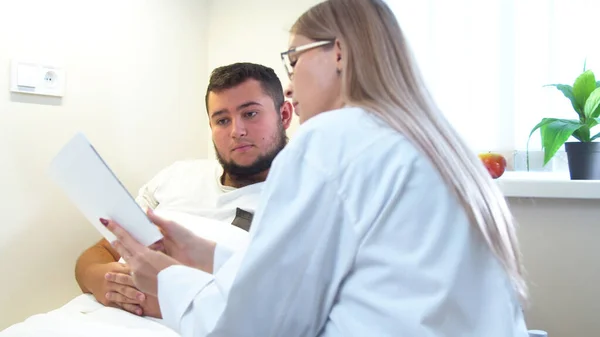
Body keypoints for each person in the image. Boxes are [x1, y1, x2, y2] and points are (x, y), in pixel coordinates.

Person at [102, 0, 531, 335]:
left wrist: (168, 281)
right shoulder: (434, 144)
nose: (290, 83)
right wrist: (206, 254)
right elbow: (324, 276)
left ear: (339, 52)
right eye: (222, 119)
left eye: (294, 59)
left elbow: (254, 326)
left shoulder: (331, 139)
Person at [74, 62, 293, 318]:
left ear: (285, 115)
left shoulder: (303, 200)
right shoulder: (176, 177)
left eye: (251, 114)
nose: (237, 131)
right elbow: (98, 253)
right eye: (222, 120)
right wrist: (100, 280)